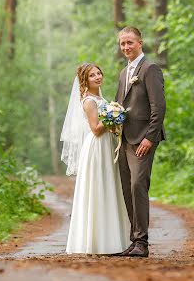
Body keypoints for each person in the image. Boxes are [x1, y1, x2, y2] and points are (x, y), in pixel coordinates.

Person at [61, 62, 130, 255]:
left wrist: (115, 120)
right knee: (99, 188)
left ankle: (113, 240)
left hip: (107, 145)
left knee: (109, 187)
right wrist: (115, 117)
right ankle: (96, 242)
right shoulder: (89, 101)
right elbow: (96, 129)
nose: (98, 77)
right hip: (97, 147)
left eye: (99, 73)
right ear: (85, 79)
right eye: (92, 75)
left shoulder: (100, 97)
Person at [116, 27, 166, 258]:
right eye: (122, 44)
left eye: (130, 43)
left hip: (143, 138)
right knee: (127, 188)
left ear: (139, 43)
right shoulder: (123, 73)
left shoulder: (150, 69)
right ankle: (134, 240)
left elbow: (159, 107)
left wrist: (150, 137)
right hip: (124, 139)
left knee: (138, 185)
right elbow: (119, 106)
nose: (126, 47)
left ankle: (142, 243)